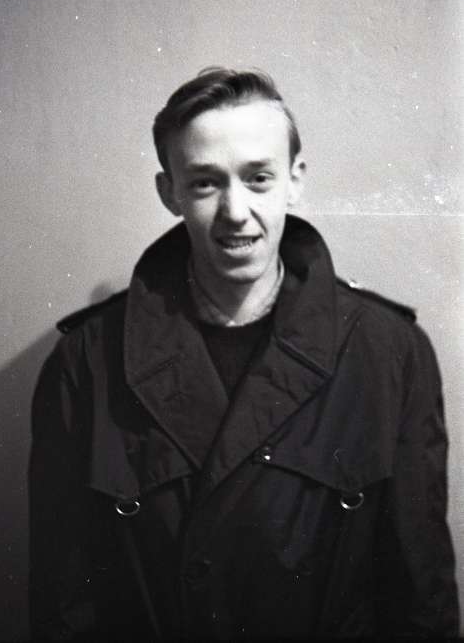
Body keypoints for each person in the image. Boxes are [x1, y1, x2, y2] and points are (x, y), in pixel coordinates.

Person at [29, 68, 459, 640]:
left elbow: (421, 595)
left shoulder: (390, 353)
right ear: (170, 192)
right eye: (206, 183)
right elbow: (64, 604)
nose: (235, 211)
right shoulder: (86, 362)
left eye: (258, 178)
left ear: (294, 180)